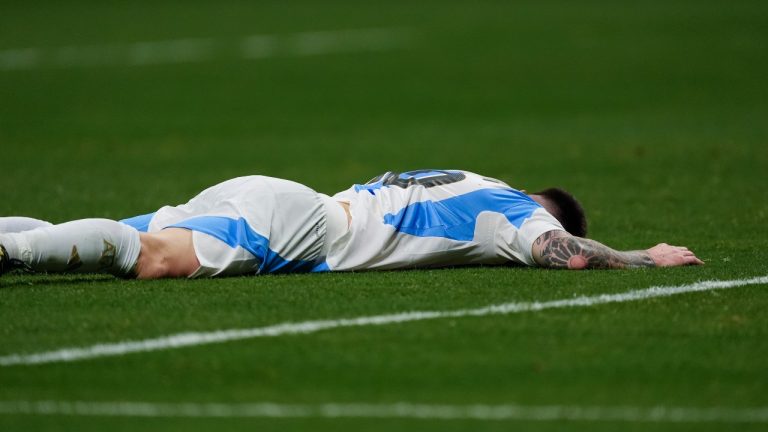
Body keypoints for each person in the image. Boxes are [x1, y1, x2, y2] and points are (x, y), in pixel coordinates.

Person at [0, 169, 703, 279]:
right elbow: (565, 253)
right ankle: (12, 253)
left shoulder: (469, 175)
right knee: (150, 258)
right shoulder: (513, 211)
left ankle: (15, 236)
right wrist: (642, 256)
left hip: (274, 193)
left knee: (87, 230)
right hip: (304, 226)